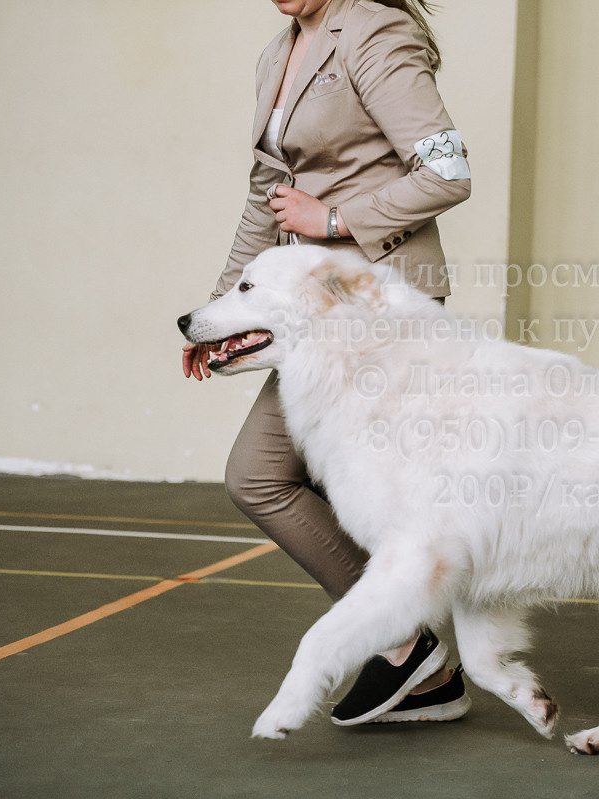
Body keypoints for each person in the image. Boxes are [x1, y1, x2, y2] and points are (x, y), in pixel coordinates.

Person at [181, 0, 472, 726]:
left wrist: (336, 220)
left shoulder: (374, 32)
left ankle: (409, 643)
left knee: (262, 475)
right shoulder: (278, 51)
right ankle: (420, 654)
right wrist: (219, 314)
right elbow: (265, 200)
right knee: (294, 480)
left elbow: (447, 171)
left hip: (379, 306)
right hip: (318, 311)